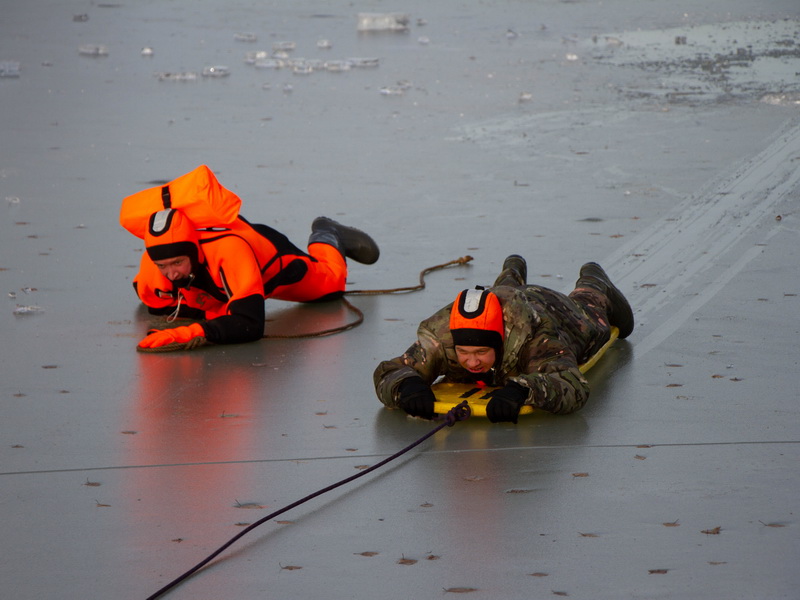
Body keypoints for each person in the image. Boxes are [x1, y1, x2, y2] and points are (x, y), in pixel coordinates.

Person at [373, 255, 634, 423]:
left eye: (481, 352)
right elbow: (390, 371)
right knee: (499, 293)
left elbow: (573, 386)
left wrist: (523, 389)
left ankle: (593, 281)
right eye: (464, 352)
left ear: (499, 343)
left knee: (592, 323)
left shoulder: (537, 340)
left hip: (551, 309)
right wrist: (406, 386)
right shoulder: (440, 340)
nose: (472, 362)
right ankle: (510, 273)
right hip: (500, 299)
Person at [131, 209, 379, 350]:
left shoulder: (229, 252)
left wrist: (195, 332)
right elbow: (153, 301)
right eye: (163, 266)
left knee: (331, 285)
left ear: (193, 251)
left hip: (270, 260)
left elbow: (250, 324)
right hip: (222, 274)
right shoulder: (151, 270)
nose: (171, 274)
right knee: (214, 310)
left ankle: (326, 232)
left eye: (178, 263)